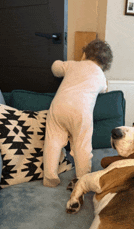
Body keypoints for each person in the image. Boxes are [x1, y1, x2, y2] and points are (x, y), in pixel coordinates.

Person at [43, 39, 113, 187]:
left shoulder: (72, 64)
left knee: (53, 141)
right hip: (81, 111)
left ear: (84, 54)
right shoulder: (101, 76)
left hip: (58, 106)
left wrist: (57, 62)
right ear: (105, 64)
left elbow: (56, 68)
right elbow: (104, 89)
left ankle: (50, 177)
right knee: (82, 146)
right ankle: (82, 178)